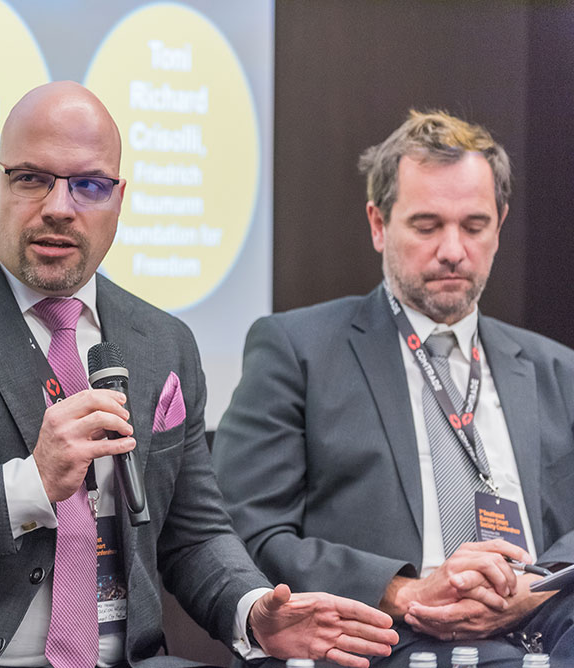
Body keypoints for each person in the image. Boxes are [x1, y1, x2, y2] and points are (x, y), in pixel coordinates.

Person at [0, 81, 398, 668]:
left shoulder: (163, 341)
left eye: (89, 186)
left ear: (119, 200)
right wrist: (28, 486)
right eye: (32, 179)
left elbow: (195, 535)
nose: (59, 206)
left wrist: (252, 610)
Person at [212, 110, 574, 666]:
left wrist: (534, 589)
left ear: (500, 226)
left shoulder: (557, 369)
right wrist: (404, 592)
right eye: (427, 226)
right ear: (378, 224)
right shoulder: (298, 352)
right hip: (390, 637)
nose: (453, 249)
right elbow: (244, 530)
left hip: (546, 622)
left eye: (474, 225)